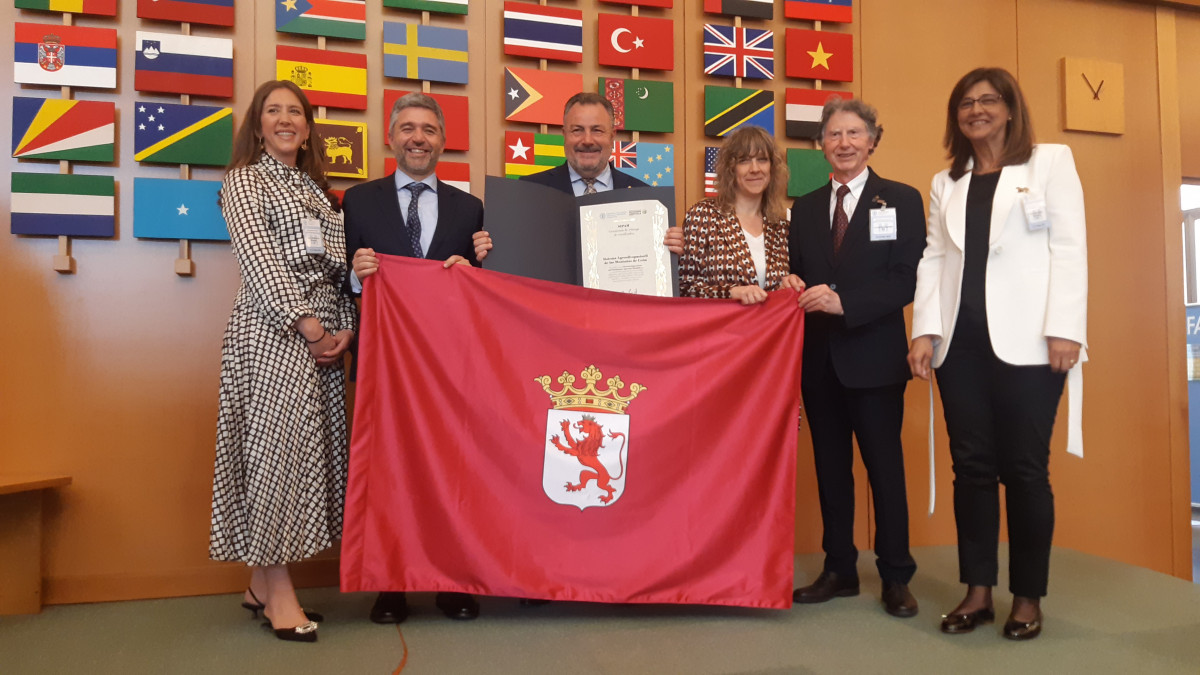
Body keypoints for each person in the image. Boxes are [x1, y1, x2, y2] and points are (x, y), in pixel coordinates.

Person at [908, 67, 1087, 641]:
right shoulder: (947, 181)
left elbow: (1070, 246)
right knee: (972, 469)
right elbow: (934, 259)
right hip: (962, 346)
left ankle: (1028, 597)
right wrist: (924, 330)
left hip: (1033, 345)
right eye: (965, 102)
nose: (976, 110)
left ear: (1010, 109)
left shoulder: (1050, 162)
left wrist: (1066, 327)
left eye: (988, 100)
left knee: (1027, 470)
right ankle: (978, 590)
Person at [209, 80, 356, 643]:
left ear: (309, 124)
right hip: (272, 337)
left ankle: (256, 585)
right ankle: (281, 598)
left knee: (301, 460)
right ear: (258, 124)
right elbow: (261, 263)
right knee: (272, 463)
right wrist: (309, 325)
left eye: (295, 111)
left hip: (321, 342)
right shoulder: (244, 182)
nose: (286, 120)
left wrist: (344, 327)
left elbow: (339, 271)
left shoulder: (319, 191)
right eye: (274, 111)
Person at [342, 92, 483, 623]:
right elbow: (340, 282)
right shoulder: (358, 200)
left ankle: (451, 580)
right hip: (383, 364)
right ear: (390, 137)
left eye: (427, 128)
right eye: (407, 128)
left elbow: (483, 293)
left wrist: (474, 271)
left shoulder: (470, 208)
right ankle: (391, 586)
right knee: (389, 475)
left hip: (450, 368)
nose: (417, 137)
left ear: (443, 141)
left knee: (453, 473)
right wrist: (358, 272)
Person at [788, 98, 926, 619]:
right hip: (819, 363)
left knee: (884, 471)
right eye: (833, 135)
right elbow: (798, 270)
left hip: (875, 360)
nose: (843, 143)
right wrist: (792, 281)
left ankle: (896, 575)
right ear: (820, 144)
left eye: (853, 133)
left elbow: (906, 279)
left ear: (873, 140)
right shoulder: (802, 207)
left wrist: (847, 304)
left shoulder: (902, 200)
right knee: (830, 471)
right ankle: (839, 569)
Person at [473, 92, 683, 261]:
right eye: (577, 130)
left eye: (597, 130)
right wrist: (492, 251)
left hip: (618, 311)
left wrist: (669, 253)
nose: (587, 140)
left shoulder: (645, 198)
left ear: (612, 136)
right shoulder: (529, 191)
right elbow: (515, 261)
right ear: (564, 135)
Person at [678, 125, 802, 303]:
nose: (755, 169)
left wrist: (788, 285)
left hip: (769, 330)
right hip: (722, 329)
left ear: (772, 168)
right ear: (731, 168)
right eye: (744, 161)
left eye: (762, 160)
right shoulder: (703, 215)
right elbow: (685, 287)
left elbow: (774, 291)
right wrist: (731, 293)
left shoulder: (782, 225)